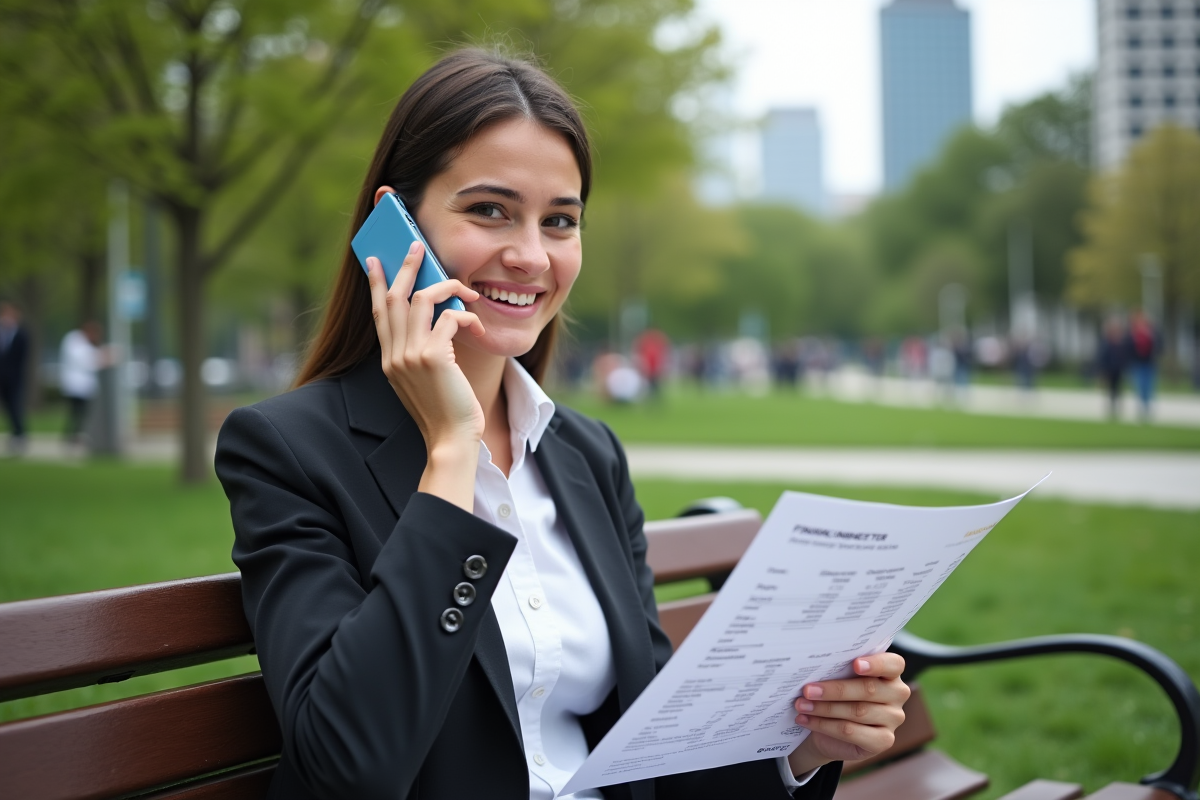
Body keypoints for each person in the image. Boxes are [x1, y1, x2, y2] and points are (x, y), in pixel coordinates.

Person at [215, 49, 909, 800]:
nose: (529, 255)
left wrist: (801, 750)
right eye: (489, 210)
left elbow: (651, 755)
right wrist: (451, 452)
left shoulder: (585, 454)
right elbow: (348, 767)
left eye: (560, 222)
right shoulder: (288, 450)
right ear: (398, 225)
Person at [59, 321, 102, 449]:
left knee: (81, 413)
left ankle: (75, 435)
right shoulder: (74, 340)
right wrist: (103, 359)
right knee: (77, 412)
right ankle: (71, 436)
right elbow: (86, 361)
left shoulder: (82, 343)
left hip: (82, 386)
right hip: (76, 385)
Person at [0, 300, 30, 454]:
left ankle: (19, 435)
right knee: (7, 407)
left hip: (14, 378)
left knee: (14, 406)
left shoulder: (22, 335)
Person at [1126, 310, 1159, 421]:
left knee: (1148, 386)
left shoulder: (1152, 333)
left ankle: (1147, 406)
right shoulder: (1133, 334)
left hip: (1149, 362)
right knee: (1140, 385)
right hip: (1138, 362)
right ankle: (1142, 407)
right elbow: (1129, 348)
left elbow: (1158, 346)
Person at [1096, 317, 1128, 420]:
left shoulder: (1122, 342)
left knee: (1117, 388)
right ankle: (1111, 407)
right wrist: (1103, 369)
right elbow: (1102, 357)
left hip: (1118, 369)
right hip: (1109, 369)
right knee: (1111, 389)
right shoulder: (1106, 342)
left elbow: (1125, 357)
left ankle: (1117, 407)